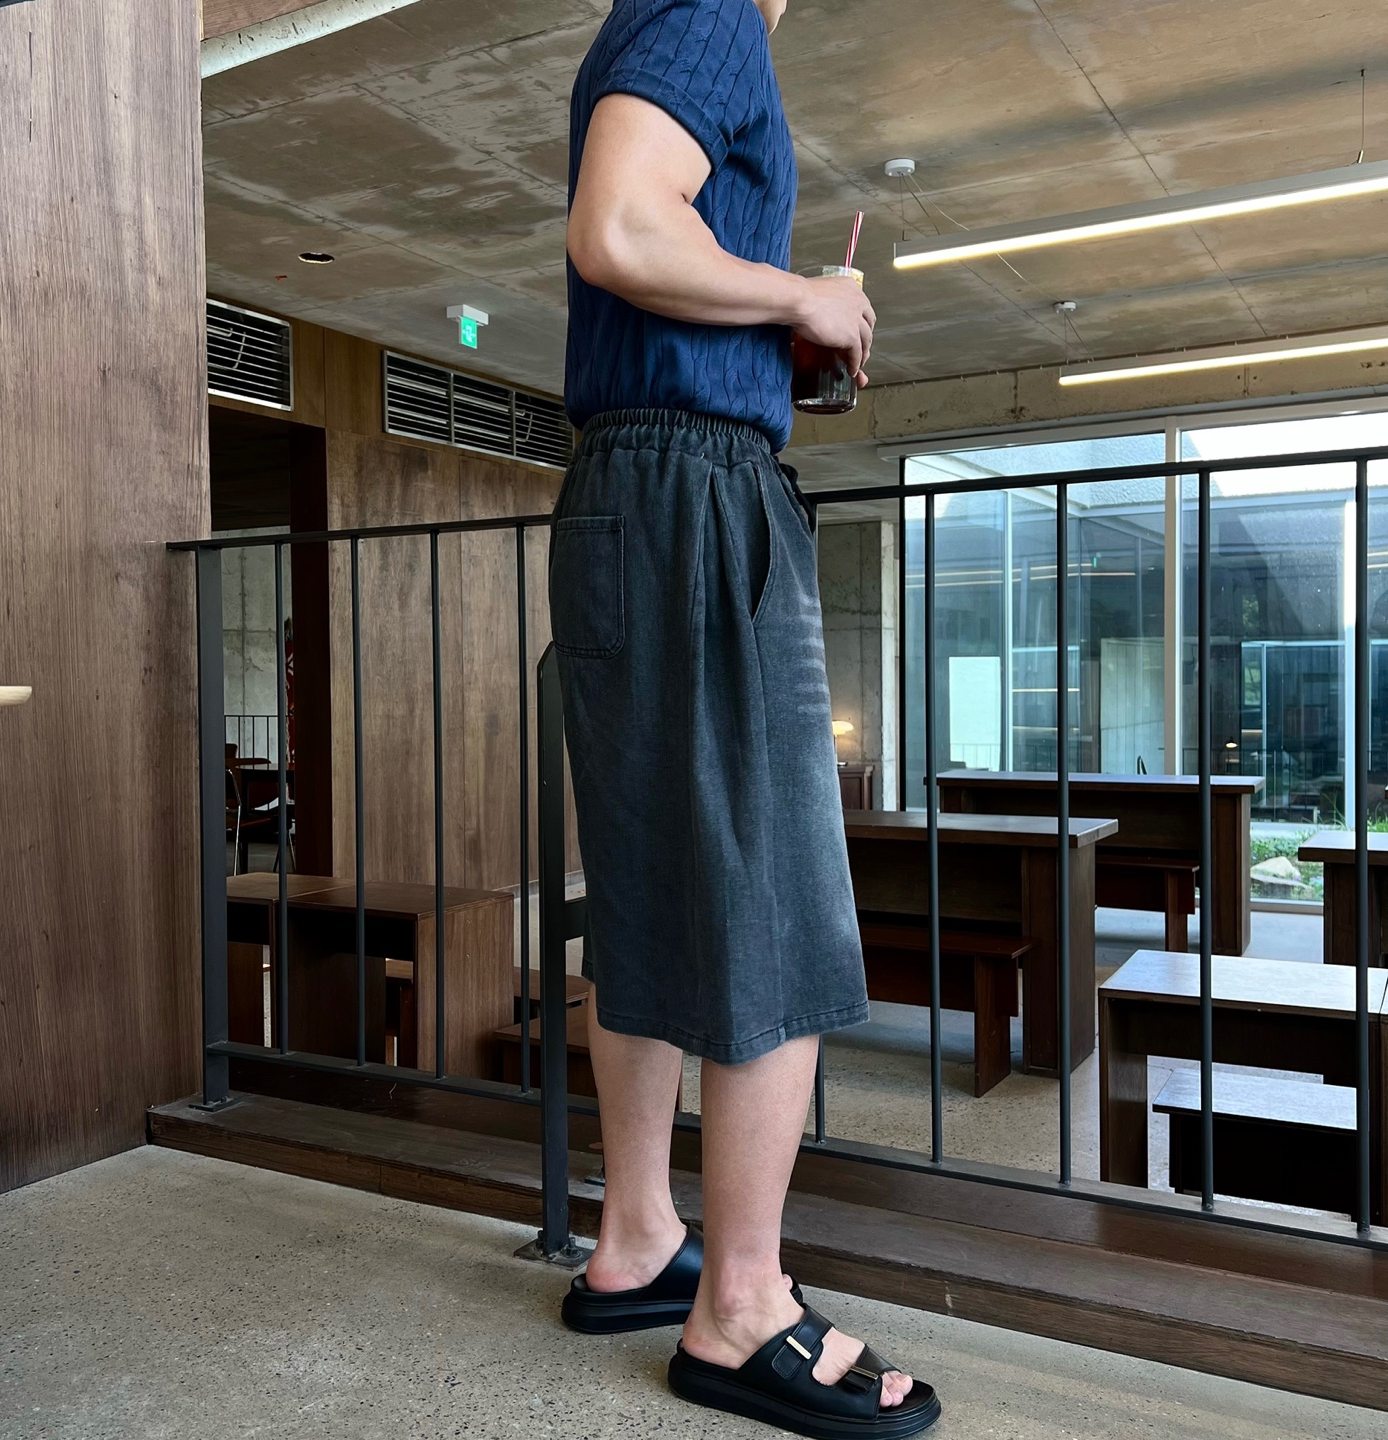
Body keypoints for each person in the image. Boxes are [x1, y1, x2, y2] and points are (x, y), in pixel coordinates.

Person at [549, 0, 940, 1435]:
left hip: (635, 487)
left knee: (649, 889)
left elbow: (637, 240)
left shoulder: (661, 14)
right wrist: (798, 298)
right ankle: (742, 1308)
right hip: (697, 498)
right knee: (774, 903)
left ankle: (639, 1238)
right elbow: (618, 228)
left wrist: (772, 324)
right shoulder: (712, 9)